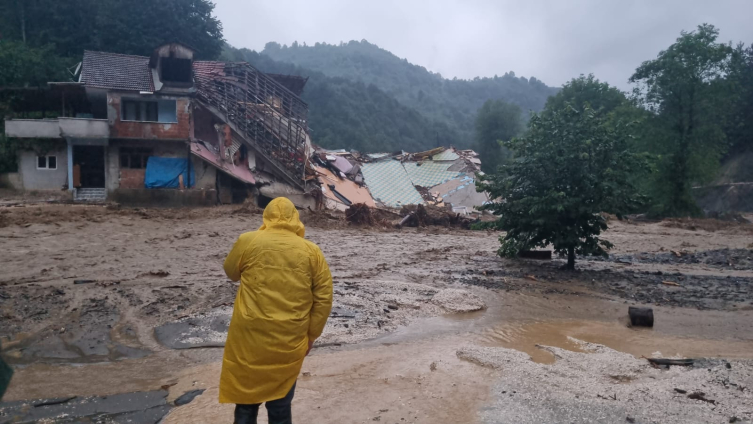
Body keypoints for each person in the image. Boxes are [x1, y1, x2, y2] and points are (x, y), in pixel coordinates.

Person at [220, 197, 333, 424]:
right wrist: (311, 336)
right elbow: (324, 298)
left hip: (248, 339)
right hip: (290, 339)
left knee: (245, 404)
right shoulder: (312, 251)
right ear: (295, 218)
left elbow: (231, 273)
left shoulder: (248, 241)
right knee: (280, 405)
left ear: (267, 217)